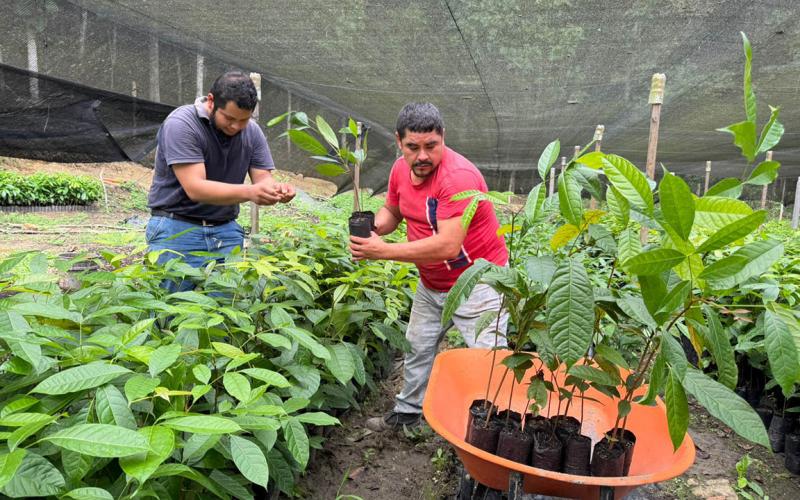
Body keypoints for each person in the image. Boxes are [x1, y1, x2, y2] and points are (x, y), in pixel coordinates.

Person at [350, 102, 509, 431]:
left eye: (431, 146)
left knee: (488, 357)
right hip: (433, 281)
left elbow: (448, 246)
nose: (422, 156)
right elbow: (393, 211)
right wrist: (374, 230)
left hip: (478, 282)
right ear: (399, 142)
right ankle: (409, 413)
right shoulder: (398, 170)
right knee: (418, 345)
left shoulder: (458, 178)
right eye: (413, 147)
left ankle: (496, 428)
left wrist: (384, 252)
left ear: (443, 138)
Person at [146, 71, 295, 288]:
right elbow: (196, 188)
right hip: (176, 228)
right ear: (211, 101)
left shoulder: (252, 132)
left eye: (243, 120)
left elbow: (264, 180)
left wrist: (278, 190)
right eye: (229, 118)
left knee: (224, 311)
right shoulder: (182, 123)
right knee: (169, 311)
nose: (236, 126)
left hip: (225, 231)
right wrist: (250, 192)